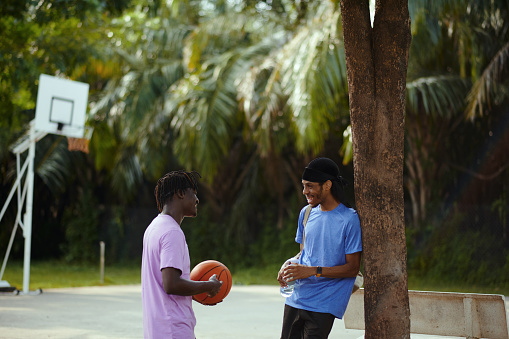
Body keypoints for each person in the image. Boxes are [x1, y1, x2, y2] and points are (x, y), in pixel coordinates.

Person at [277, 157, 362, 339]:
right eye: (303, 186)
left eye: (310, 186)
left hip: (325, 303)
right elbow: (304, 253)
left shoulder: (349, 219)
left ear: (327, 185)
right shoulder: (306, 213)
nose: (305, 191)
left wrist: (312, 271)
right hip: (296, 299)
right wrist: (288, 264)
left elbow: (353, 268)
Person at [141, 170, 222, 339]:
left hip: (156, 329)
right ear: (180, 193)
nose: (197, 200)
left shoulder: (154, 227)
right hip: (174, 329)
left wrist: (195, 292)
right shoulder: (172, 232)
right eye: (194, 194)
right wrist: (208, 285)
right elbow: (171, 284)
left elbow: (164, 284)